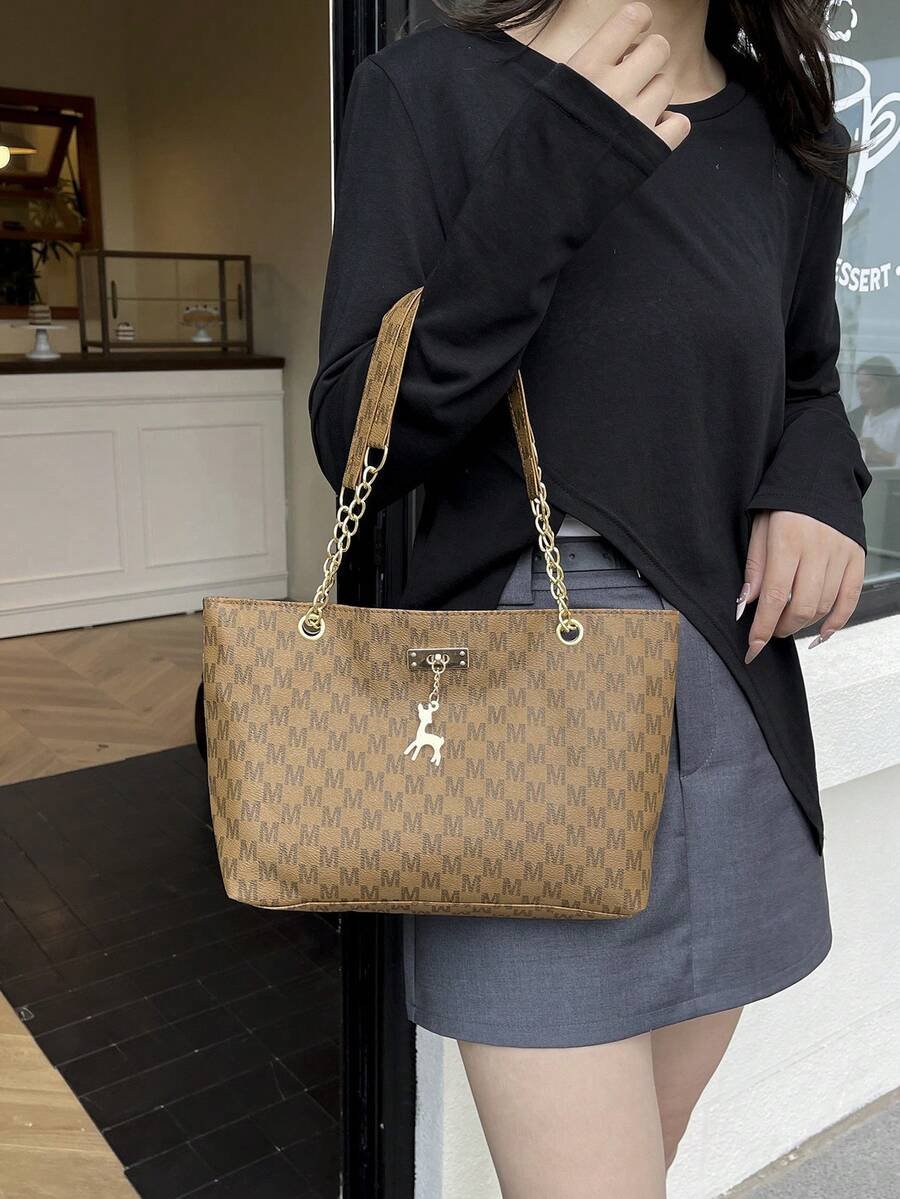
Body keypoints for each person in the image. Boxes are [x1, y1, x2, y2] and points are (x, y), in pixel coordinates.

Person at [308, 2, 872, 1194]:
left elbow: (808, 377)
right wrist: (559, 158)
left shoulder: (786, 135)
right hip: (521, 699)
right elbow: (362, 433)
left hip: (729, 679)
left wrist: (818, 487)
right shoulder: (433, 91)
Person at [855, 356, 900, 467]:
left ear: (885, 385)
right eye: (858, 385)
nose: (860, 391)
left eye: (867, 385)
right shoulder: (854, 417)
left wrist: (878, 453)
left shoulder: (897, 418)